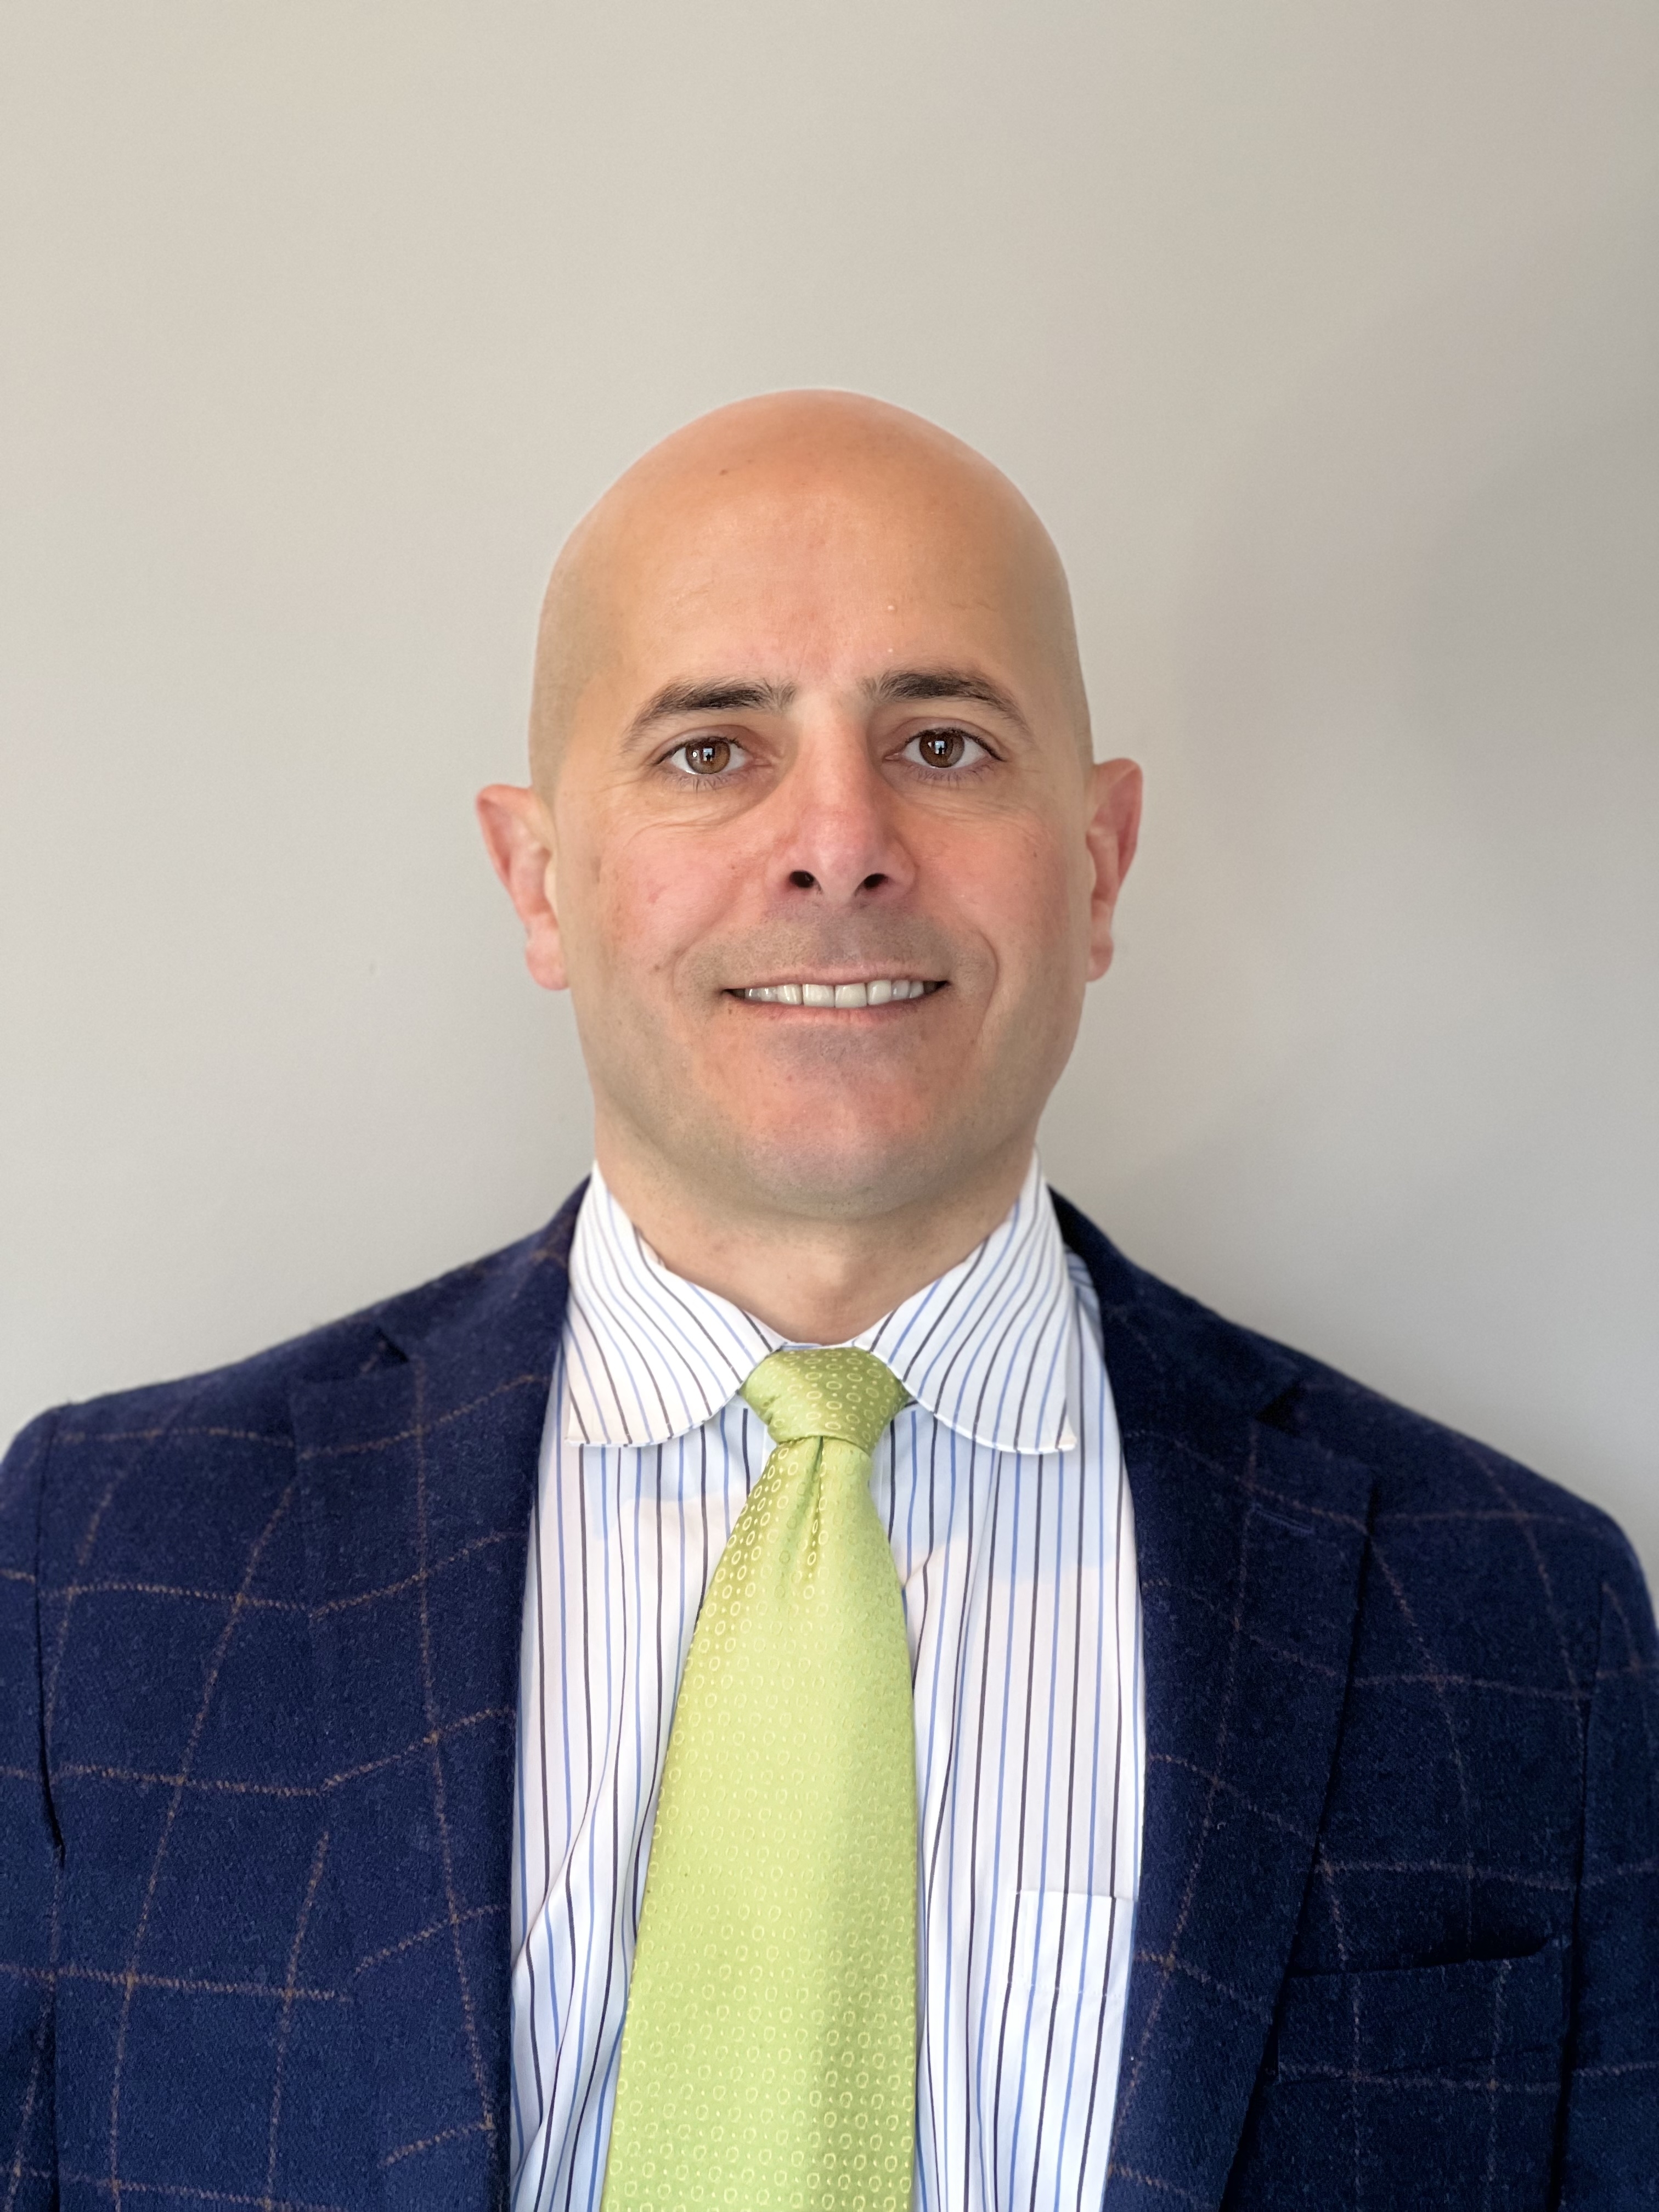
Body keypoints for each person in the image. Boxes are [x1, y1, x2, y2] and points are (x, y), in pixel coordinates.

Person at [1, 392, 1653, 2212]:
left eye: (943, 743)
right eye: (713, 750)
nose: (841, 842)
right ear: (539, 881)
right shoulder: (100, 1569)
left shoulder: (1519, 1617)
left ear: (1098, 863)